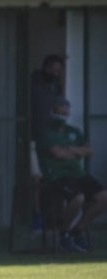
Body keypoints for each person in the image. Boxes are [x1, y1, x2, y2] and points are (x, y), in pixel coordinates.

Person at [37, 97, 106, 252]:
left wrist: (71, 151)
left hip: (77, 173)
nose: (62, 117)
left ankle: (76, 232)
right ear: (51, 113)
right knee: (78, 198)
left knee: (103, 197)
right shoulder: (46, 134)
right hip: (56, 175)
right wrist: (76, 151)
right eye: (59, 113)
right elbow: (58, 154)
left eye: (65, 113)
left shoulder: (74, 131)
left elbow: (89, 151)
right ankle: (63, 233)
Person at [29, 55, 65, 231]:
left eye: (58, 71)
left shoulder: (56, 87)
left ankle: (53, 217)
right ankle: (37, 216)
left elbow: (61, 109)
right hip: (33, 138)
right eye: (51, 69)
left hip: (51, 140)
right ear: (44, 67)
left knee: (53, 180)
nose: (54, 73)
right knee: (36, 179)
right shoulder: (33, 83)